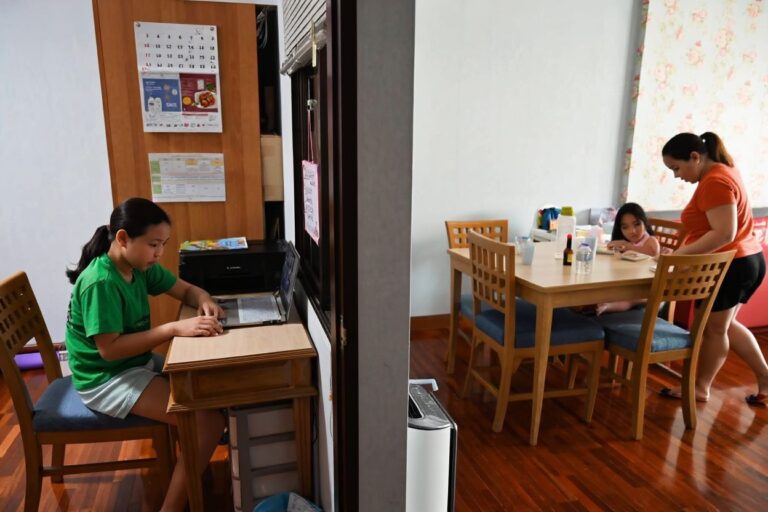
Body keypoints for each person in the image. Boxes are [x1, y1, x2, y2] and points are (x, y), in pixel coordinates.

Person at [65, 197, 226, 511]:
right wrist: (171, 329)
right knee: (208, 422)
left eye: (163, 244)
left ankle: (192, 464)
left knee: (202, 384)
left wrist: (204, 298)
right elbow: (109, 350)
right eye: (154, 244)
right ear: (123, 239)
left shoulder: (137, 265)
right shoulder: (101, 282)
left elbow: (185, 290)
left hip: (131, 363)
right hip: (104, 377)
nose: (159, 253)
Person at [659, 132, 767, 406]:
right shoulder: (723, 171)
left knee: (714, 330)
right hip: (747, 259)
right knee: (725, 327)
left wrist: (678, 257)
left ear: (695, 157)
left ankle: (699, 388)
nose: (676, 176)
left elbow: (724, 233)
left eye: (676, 168)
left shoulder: (715, 181)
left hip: (733, 265)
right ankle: (765, 379)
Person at [596, 202, 661, 315]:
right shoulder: (627, 242)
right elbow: (611, 246)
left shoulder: (650, 241)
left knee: (628, 300)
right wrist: (617, 244)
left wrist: (628, 246)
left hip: (649, 288)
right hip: (630, 284)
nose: (632, 231)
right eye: (625, 227)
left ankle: (608, 306)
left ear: (644, 223)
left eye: (636, 224)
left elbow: (653, 253)